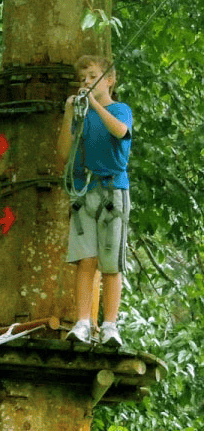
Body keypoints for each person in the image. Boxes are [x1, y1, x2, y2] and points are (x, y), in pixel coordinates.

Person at [55, 55, 133, 348]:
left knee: (111, 262)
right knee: (85, 261)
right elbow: (64, 153)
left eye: (92, 76)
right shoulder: (81, 116)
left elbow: (120, 131)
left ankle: (110, 326)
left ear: (109, 80)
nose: (85, 83)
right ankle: (83, 323)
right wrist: (68, 114)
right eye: (82, 79)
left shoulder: (120, 109)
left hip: (113, 192)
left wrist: (95, 105)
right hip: (83, 192)